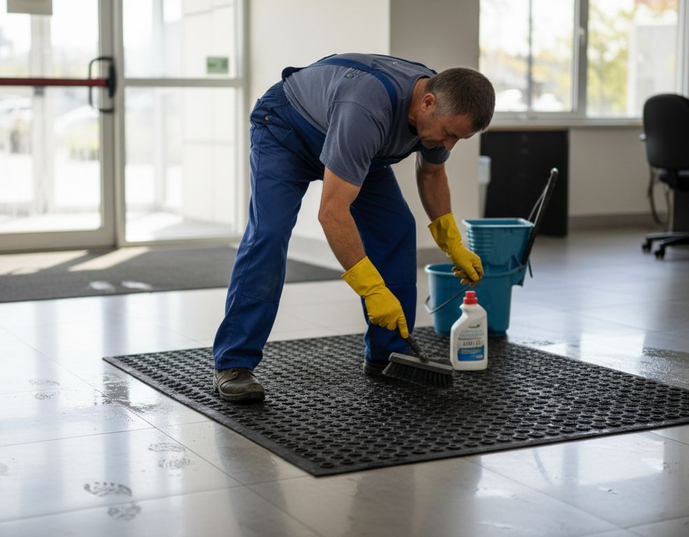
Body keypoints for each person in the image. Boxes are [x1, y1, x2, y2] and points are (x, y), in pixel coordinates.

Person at [212, 53, 495, 402]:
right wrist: (372, 289)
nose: (448, 145)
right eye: (449, 134)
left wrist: (452, 242)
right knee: (268, 235)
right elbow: (332, 213)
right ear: (427, 102)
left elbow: (432, 172)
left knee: (397, 227)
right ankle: (234, 362)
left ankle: (388, 353)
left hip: (357, 146)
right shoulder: (367, 108)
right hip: (286, 131)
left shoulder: (439, 109)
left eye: (458, 139)